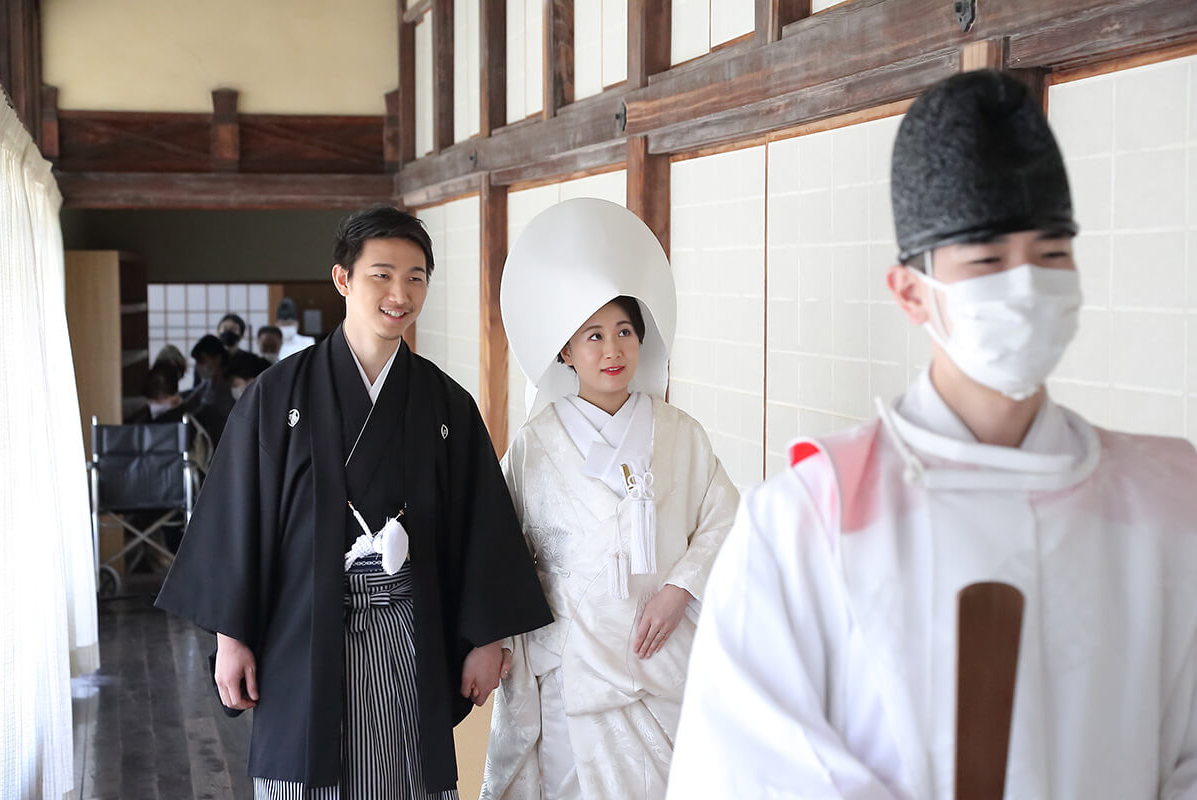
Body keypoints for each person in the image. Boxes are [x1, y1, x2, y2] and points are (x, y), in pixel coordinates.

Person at [665, 70, 1197, 799]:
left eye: (1050, 256)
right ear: (912, 293)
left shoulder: (1166, 502)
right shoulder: (809, 519)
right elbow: (745, 769)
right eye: (986, 262)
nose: (1026, 285)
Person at [156, 204, 552, 800]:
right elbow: (236, 519)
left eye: (416, 276)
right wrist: (230, 638)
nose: (401, 292)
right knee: (302, 776)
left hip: (409, 632)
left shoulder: (445, 404)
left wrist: (486, 638)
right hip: (301, 632)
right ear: (343, 279)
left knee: (408, 779)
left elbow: (481, 526)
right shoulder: (277, 395)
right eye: (382, 274)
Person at [482, 199, 739, 800]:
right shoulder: (535, 444)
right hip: (572, 666)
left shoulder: (680, 433)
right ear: (565, 351)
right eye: (593, 335)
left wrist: (681, 590)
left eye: (624, 331)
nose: (613, 349)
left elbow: (725, 517)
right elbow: (496, 544)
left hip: (663, 651)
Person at [185, 334, 235, 445]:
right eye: (197, 362)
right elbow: (187, 405)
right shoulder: (207, 383)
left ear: (217, 358)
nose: (199, 366)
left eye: (202, 360)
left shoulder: (232, 385)